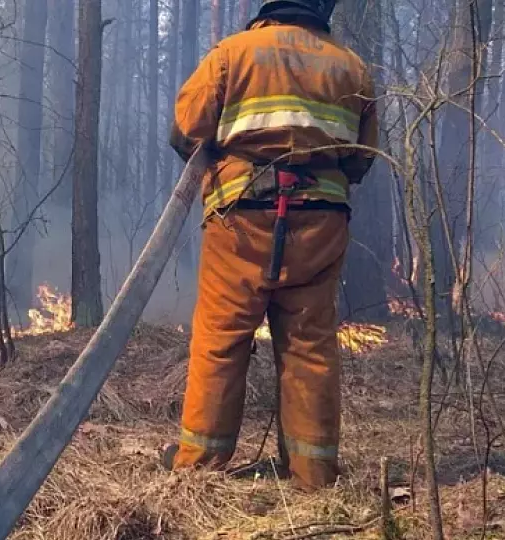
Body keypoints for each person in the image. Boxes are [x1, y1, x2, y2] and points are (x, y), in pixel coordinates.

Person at [162, 0, 379, 491]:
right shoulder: (351, 68)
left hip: (241, 218)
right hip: (321, 223)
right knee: (310, 343)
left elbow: (185, 131)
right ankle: (313, 474)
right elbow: (361, 161)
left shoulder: (231, 54)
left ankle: (199, 469)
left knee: (221, 338)